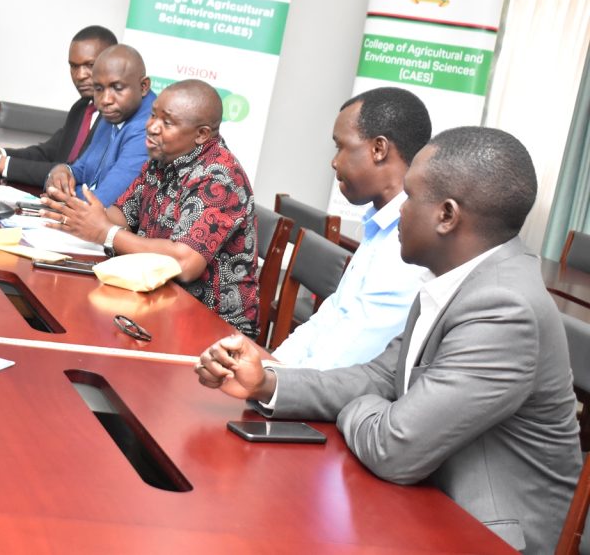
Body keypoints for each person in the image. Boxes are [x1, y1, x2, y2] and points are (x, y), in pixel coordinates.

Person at [196, 127, 581, 554]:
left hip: (482, 534)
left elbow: (394, 446)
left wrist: (381, 409)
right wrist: (268, 382)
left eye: (411, 197)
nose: (398, 212)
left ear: (447, 216)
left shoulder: (504, 308)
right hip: (423, 501)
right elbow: (380, 375)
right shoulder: (456, 278)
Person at [44, 79, 259, 336]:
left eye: (166, 123)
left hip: (212, 327)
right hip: (156, 300)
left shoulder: (219, 176)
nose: (152, 127)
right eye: (153, 115)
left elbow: (185, 261)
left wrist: (105, 233)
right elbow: (123, 215)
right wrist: (79, 215)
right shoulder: (163, 157)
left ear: (201, 134)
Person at [266, 87, 432, 368]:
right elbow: (333, 314)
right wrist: (272, 366)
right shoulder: (380, 226)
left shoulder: (407, 247)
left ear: (378, 149)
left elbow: (348, 358)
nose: (334, 161)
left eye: (341, 147)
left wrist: (274, 384)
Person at [0, 25, 117, 186]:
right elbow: (46, 153)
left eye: (90, 65)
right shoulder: (81, 108)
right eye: (73, 66)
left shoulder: (114, 116)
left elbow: (74, 172)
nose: (80, 75)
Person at [43, 44, 155, 208]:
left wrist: (63, 195)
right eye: (98, 88)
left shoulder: (151, 127)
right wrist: (62, 171)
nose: (105, 100)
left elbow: (100, 204)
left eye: (117, 88)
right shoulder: (116, 111)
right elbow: (82, 168)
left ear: (143, 86)